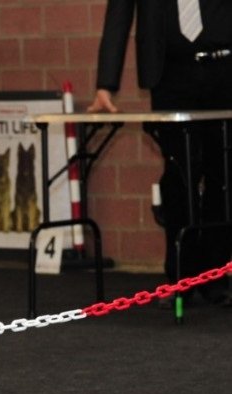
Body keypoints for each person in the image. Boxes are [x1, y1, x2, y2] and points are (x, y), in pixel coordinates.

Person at [88, 0, 232, 306]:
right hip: (170, 75)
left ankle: (217, 277)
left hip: (225, 70)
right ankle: (181, 278)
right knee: (179, 174)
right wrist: (106, 84)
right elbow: (119, 13)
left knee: (224, 174)